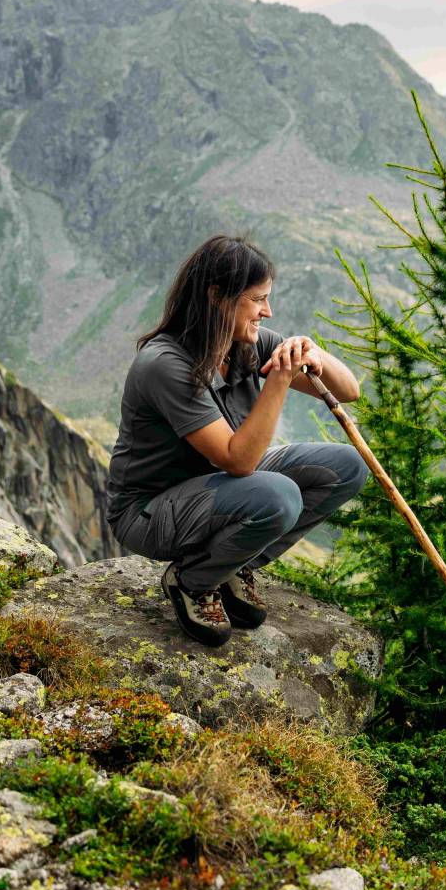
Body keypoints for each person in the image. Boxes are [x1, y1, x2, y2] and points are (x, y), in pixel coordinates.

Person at [104, 235, 366, 646]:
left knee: (347, 466)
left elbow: (348, 390)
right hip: (150, 510)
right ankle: (192, 579)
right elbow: (239, 460)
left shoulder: (247, 342)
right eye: (257, 299)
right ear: (217, 297)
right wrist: (279, 380)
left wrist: (314, 352)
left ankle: (230, 562)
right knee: (278, 496)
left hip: (220, 489)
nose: (268, 311)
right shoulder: (166, 365)